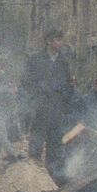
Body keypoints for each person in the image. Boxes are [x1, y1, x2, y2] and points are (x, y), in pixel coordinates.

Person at [21, 28, 75, 172]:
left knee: (55, 143)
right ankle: (32, 174)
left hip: (57, 108)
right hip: (40, 107)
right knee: (36, 142)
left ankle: (51, 176)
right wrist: (40, 90)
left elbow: (69, 84)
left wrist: (63, 94)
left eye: (61, 40)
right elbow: (26, 82)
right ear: (49, 41)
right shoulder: (35, 60)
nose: (60, 43)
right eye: (57, 40)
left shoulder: (63, 62)